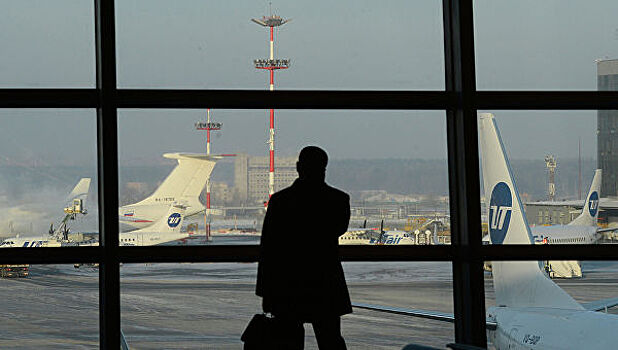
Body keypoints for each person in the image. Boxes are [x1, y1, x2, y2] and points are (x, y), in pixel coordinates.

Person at [256, 146, 351, 350]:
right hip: (324, 284)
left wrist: (265, 291)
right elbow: (336, 230)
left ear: (298, 167)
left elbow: (268, 249)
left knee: (288, 342)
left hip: (287, 285)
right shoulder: (339, 200)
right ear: (324, 168)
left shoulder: (280, 202)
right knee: (330, 340)